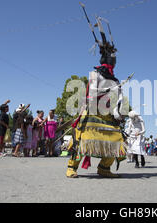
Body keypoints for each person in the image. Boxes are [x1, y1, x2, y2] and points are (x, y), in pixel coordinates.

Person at [65, 22, 127, 178]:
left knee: (115, 140)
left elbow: (117, 100)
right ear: (106, 60)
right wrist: (108, 90)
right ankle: (72, 167)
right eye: (112, 59)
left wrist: (117, 111)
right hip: (93, 110)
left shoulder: (114, 79)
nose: (114, 62)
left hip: (107, 114)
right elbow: (91, 94)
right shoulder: (95, 75)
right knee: (82, 139)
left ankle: (104, 168)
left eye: (115, 60)